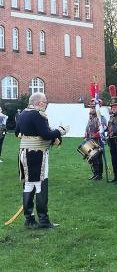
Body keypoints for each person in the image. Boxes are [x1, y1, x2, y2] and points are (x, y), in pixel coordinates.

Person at [15, 93, 68, 228]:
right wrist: (60, 131)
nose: (46, 104)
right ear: (39, 103)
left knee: (28, 185)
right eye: (45, 102)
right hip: (37, 154)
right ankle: (43, 220)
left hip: (24, 153)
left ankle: (29, 218)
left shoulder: (23, 114)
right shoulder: (37, 114)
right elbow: (45, 135)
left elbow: (17, 132)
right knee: (40, 185)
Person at [84, 108, 103, 180]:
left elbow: (101, 130)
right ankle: (95, 173)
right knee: (92, 158)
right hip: (90, 141)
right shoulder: (90, 120)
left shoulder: (98, 119)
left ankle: (99, 174)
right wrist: (86, 134)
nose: (90, 114)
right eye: (89, 113)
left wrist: (95, 135)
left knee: (97, 158)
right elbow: (87, 129)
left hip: (97, 142)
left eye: (91, 113)